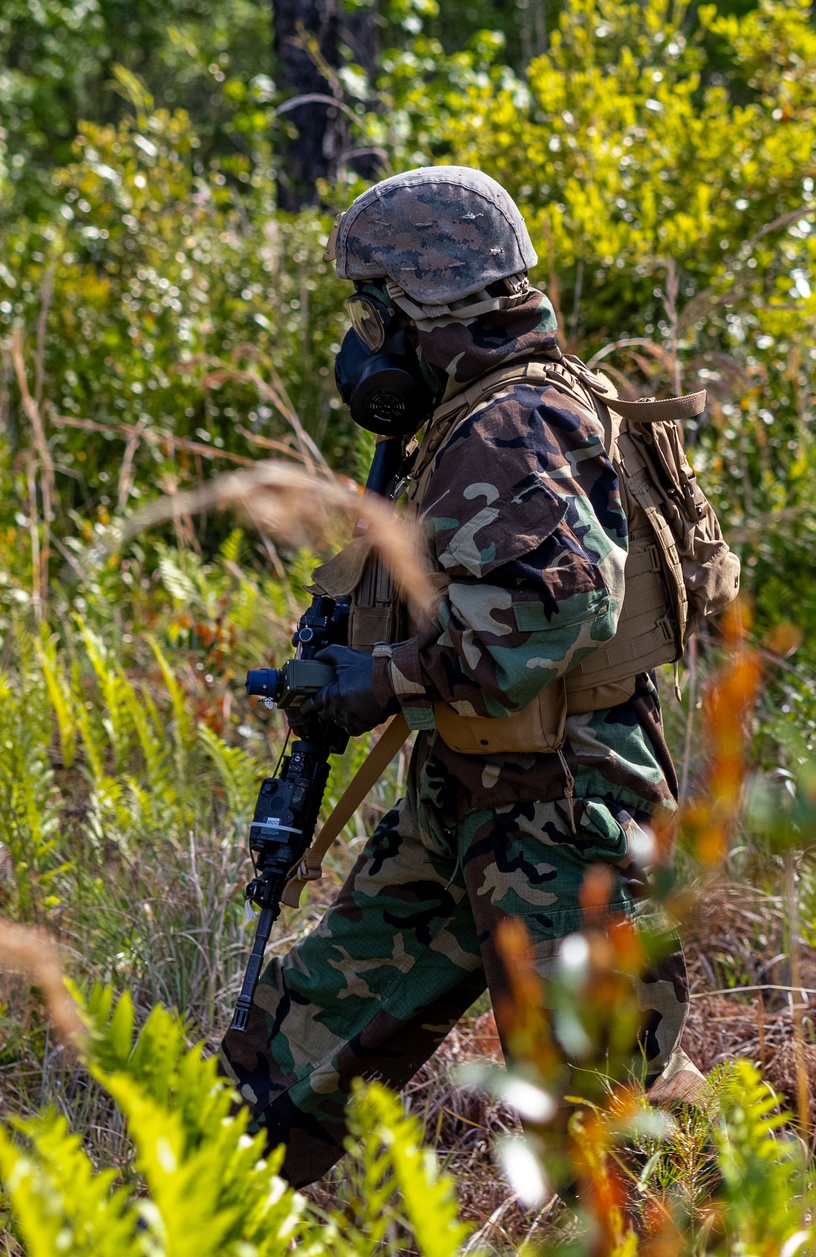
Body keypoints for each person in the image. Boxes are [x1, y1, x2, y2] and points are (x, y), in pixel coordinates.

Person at [219, 166, 707, 1189]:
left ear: (423, 304)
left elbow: (553, 611)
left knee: (597, 1126)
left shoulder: (510, 425)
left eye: (374, 310)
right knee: (288, 1055)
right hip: (469, 794)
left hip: (563, 808)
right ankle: (199, 1252)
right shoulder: (486, 410)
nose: (365, 341)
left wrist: (378, 679)